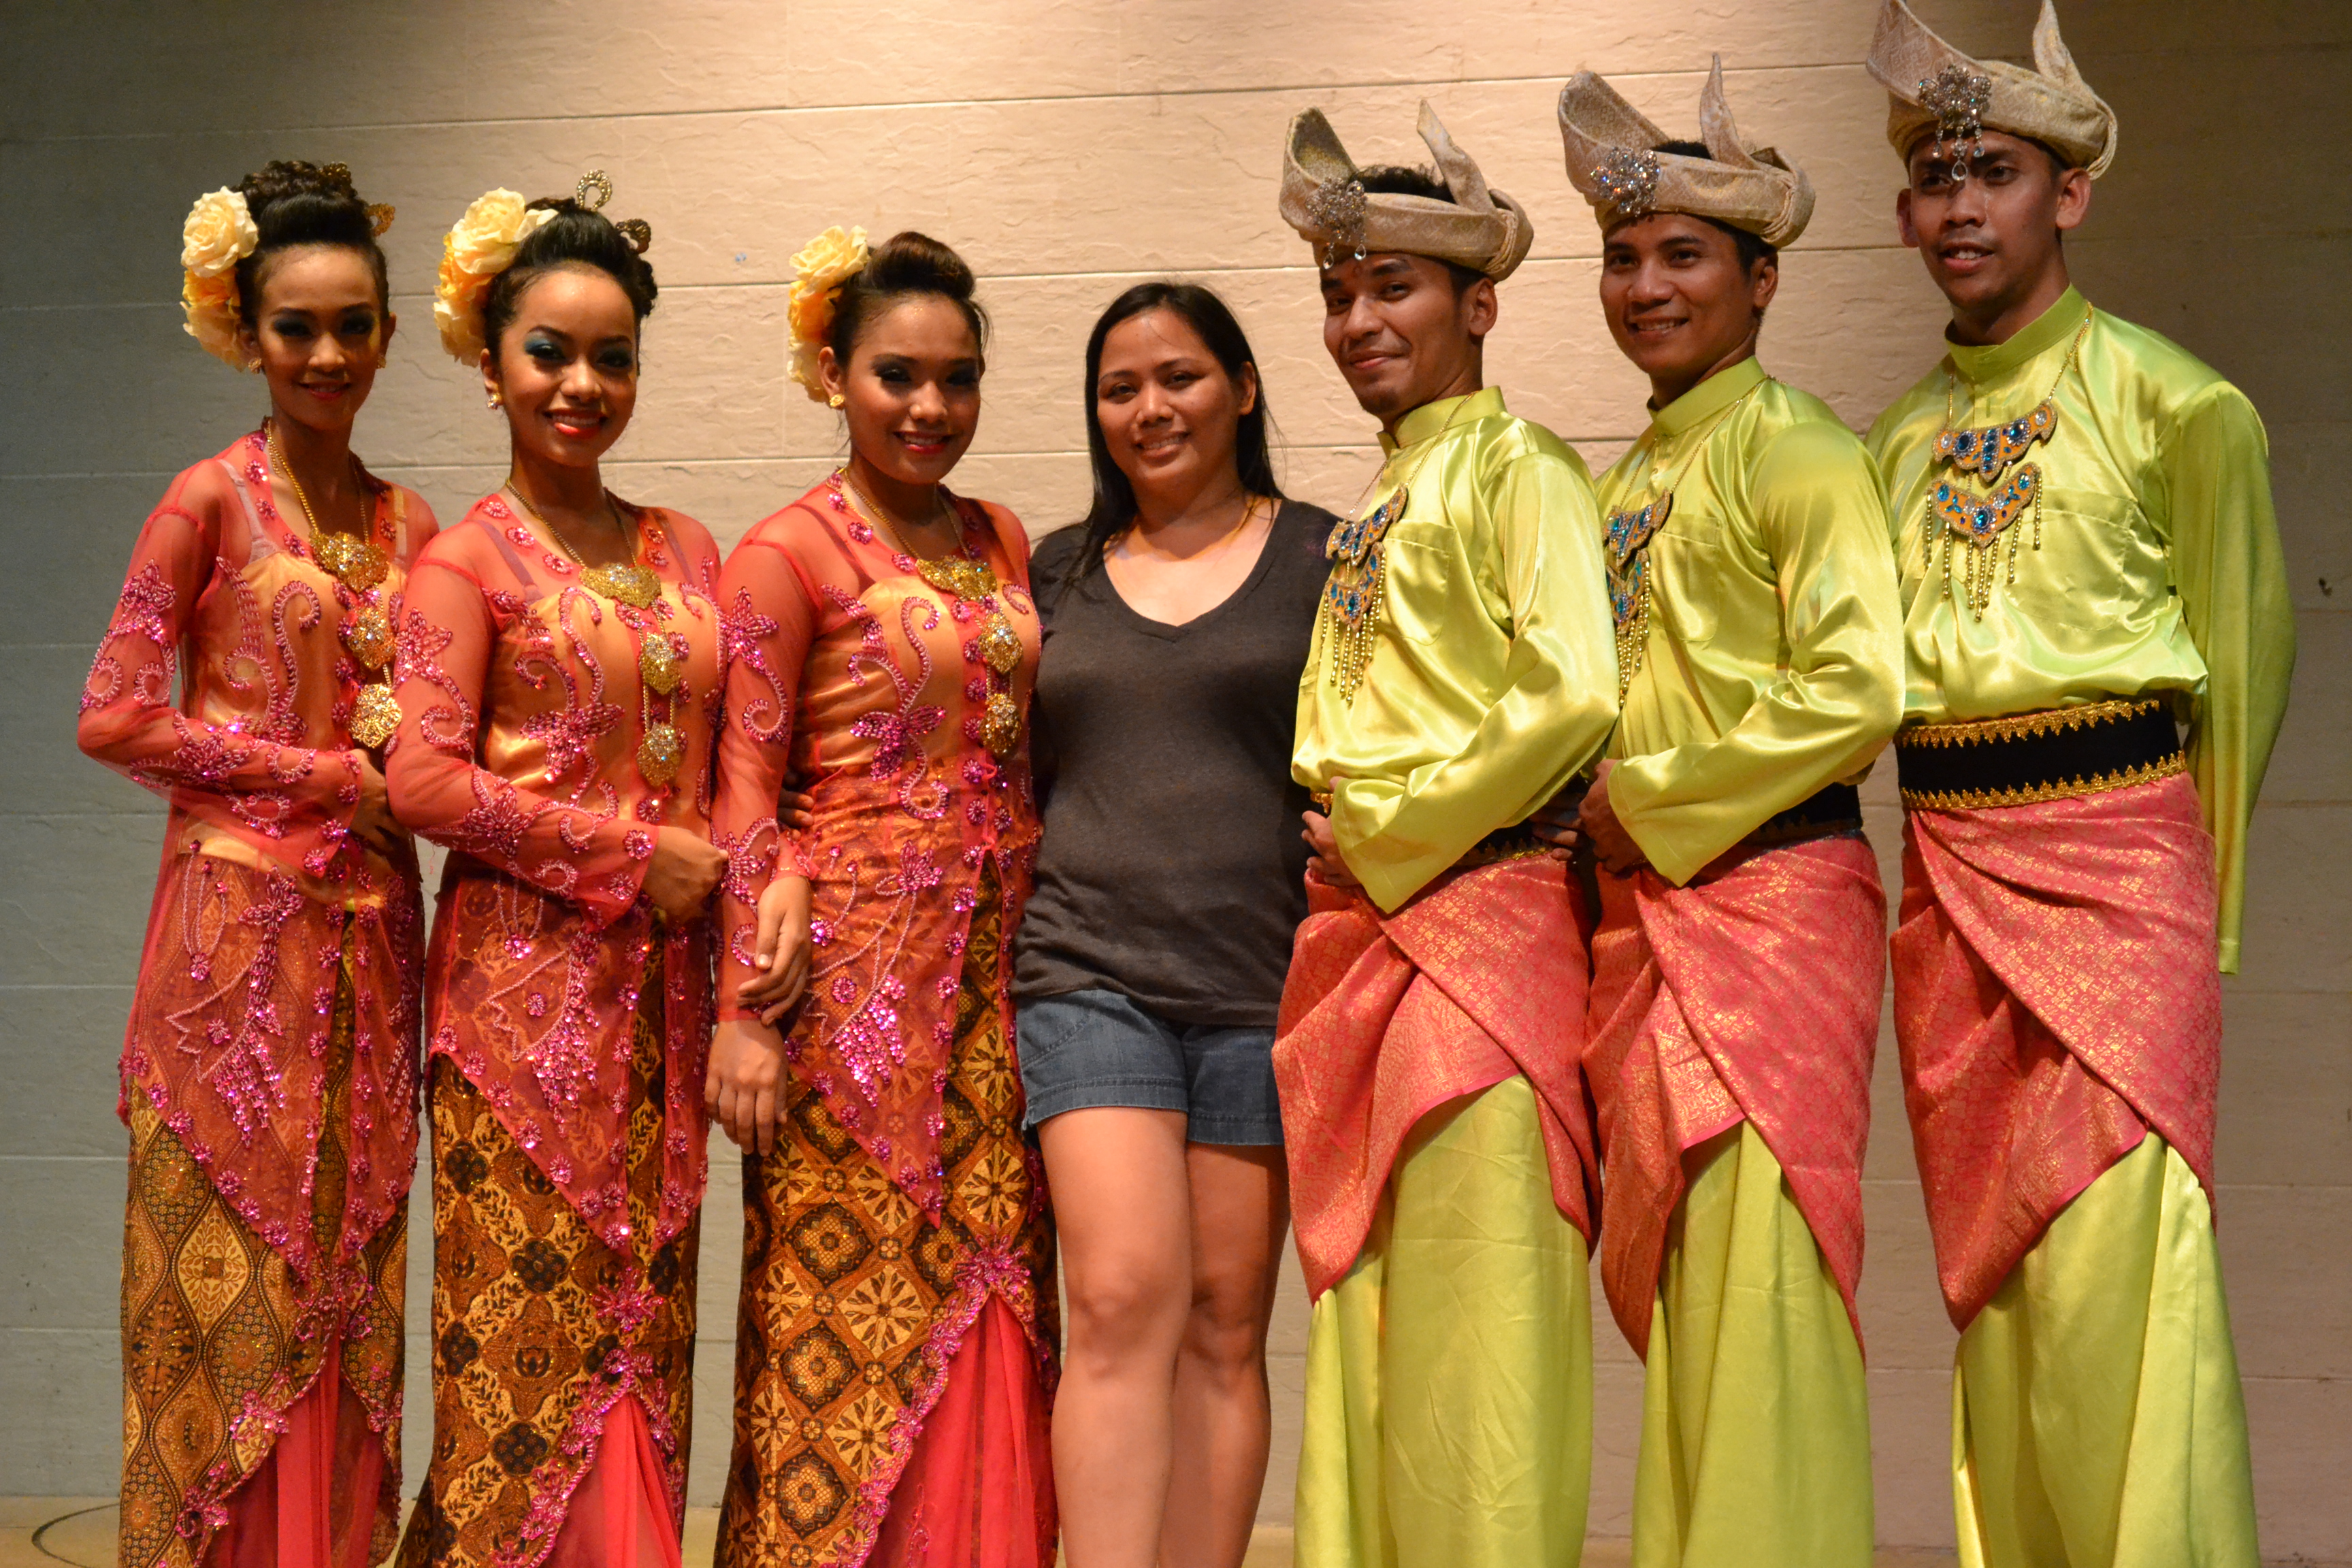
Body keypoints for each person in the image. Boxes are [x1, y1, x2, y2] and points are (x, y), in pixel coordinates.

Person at [1861, 5, 2296, 1564]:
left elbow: (2243, 676)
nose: (1961, 205)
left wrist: (2208, 925)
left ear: (2073, 193)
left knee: (2132, 1267)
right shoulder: (1891, 447)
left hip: (2124, 881)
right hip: (1950, 888)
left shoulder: (2180, 406)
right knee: (2003, 1286)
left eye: (1995, 170)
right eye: (1933, 177)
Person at [1556, 63, 1904, 1568]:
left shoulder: (1803, 451)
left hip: (1768, 904)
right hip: (1646, 921)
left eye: (1684, 254)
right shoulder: (1625, 475)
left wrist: (1641, 801)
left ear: (1762, 278)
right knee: (1696, 1294)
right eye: (1626, 257)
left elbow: (1859, 687)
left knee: (1763, 1277)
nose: (1647, 284)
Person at [1269, 103, 1618, 1568]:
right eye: (1340, 292)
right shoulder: (1386, 491)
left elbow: (1575, 692)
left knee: (1478, 1330)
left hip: (1478, 928)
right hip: (1366, 930)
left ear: (1480, 303)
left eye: (1392, 287)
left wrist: (1394, 821)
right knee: (1378, 1326)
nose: (1357, 320)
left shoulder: (1519, 467)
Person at [80, 159, 426, 1568]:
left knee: (349, 1310)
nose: (329, 354)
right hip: (231, 967)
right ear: (248, 331)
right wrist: (319, 773)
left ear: (392, 333)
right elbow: (111, 711)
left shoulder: (417, 528)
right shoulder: (206, 502)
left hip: (375, 961)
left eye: (354, 324)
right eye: (298, 326)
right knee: (223, 1322)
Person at [706, 227, 1058, 1568]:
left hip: (1004, 1000)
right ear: (832, 375)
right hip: (850, 997)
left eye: (957, 379)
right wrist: (748, 1008)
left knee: (999, 1310)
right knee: (835, 1327)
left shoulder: (1001, 534)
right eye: (896, 375)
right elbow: (741, 786)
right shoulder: (784, 553)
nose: (929, 408)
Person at [388, 175, 725, 1568]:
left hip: (665, 1023)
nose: (583, 384)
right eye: (551, 353)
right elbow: (421, 779)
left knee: (645, 1341)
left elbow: (733, 769)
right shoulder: (463, 563)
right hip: (516, 1028)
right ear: (491, 362)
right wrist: (631, 856)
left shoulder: (687, 548)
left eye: (613, 356)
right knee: (519, 1368)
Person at [1015, 282, 1335, 1568]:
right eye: (1120, 388)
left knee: (1220, 1320)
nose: (1151, 408)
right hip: (1088, 975)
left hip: (1262, 986)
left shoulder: (1330, 554)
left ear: (1245, 389)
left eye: (1181, 377)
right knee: (1120, 1296)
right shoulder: (1055, 572)